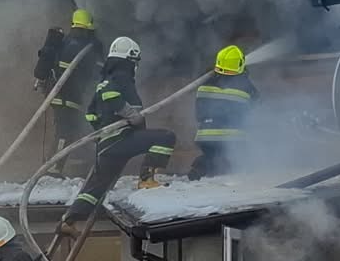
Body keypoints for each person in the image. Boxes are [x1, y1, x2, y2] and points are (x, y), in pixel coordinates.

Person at [60, 36, 176, 230]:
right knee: (166, 137)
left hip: (107, 145)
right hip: (122, 139)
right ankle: (147, 179)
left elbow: (90, 113)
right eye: (135, 61)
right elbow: (111, 95)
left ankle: (69, 220)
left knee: (96, 187)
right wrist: (131, 115)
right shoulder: (121, 75)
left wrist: (100, 131)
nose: (135, 66)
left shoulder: (104, 80)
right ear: (129, 59)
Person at [34, 7, 101, 160]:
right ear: (88, 27)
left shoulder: (65, 42)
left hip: (58, 94)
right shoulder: (82, 46)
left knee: (70, 131)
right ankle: (54, 167)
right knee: (65, 133)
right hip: (68, 97)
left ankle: (68, 162)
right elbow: (95, 72)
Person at [188, 44, 257, 180]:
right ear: (240, 64)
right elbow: (257, 109)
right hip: (232, 137)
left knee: (211, 156)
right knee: (236, 159)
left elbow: (198, 114)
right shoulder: (245, 85)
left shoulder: (205, 84)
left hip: (204, 136)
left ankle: (200, 168)